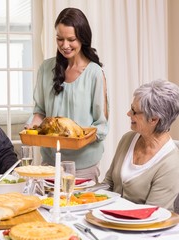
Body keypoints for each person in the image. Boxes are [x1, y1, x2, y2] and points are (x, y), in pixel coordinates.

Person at [26, 7, 109, 182]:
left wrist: (79, 139)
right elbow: (40, 110)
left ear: (83, 38)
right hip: (49, 162)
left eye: (71, 39)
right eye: (59, 39)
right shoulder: (46, 68)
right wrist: (32, 127)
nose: (65, 45)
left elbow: (101, 125)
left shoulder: (94, 73)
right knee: (47, 208)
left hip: (83, 165)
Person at [103, 79, 179, 211]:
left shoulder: (171, 164)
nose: (128, 113)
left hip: (142, 229)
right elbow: (108, 184)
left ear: (154, 119)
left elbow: (151, 216)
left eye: (134, 111)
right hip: (108, 220)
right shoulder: (128, 139)